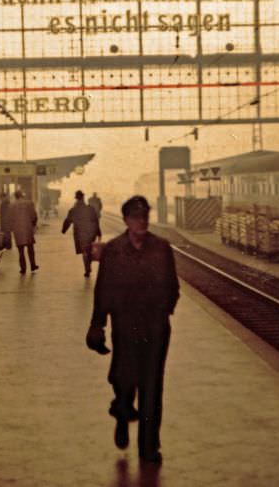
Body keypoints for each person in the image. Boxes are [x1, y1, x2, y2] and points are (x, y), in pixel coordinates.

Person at [86, 195, 179, 465]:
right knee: (124, 381)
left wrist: (164, 311)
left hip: (155, 330)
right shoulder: (114, 250)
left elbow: (173, 286)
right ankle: (123, 414)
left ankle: (149, 447)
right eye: (137, 217)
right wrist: (97, 324)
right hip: (125, 329)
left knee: (152, 388)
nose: (143, 221)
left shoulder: (162, 248)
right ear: (127, 220)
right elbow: (102, 289)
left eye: (145, 216)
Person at [62, 190, 101, 277]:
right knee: (88, 250)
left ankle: (87, 268)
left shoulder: (74, 210)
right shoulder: (90, 209)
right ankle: (88, 266)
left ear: (76, 199)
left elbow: (68, 220)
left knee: (84, 251)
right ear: (83, 198)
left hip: (80, 234)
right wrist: (98, 232)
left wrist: (64, 230)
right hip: (91, 233)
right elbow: (95, 221)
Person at [8, 190, 39, 274]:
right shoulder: (29, 203)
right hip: (28, 228)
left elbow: (10, 219)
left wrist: (12, 228)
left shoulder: (11, 206)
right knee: (30, 249)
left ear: (15, 196)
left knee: (21, 251)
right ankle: (33, 266)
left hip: (17, 230)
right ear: (22, 195)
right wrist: (33, 225)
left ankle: (23, 269)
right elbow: (34, 216)